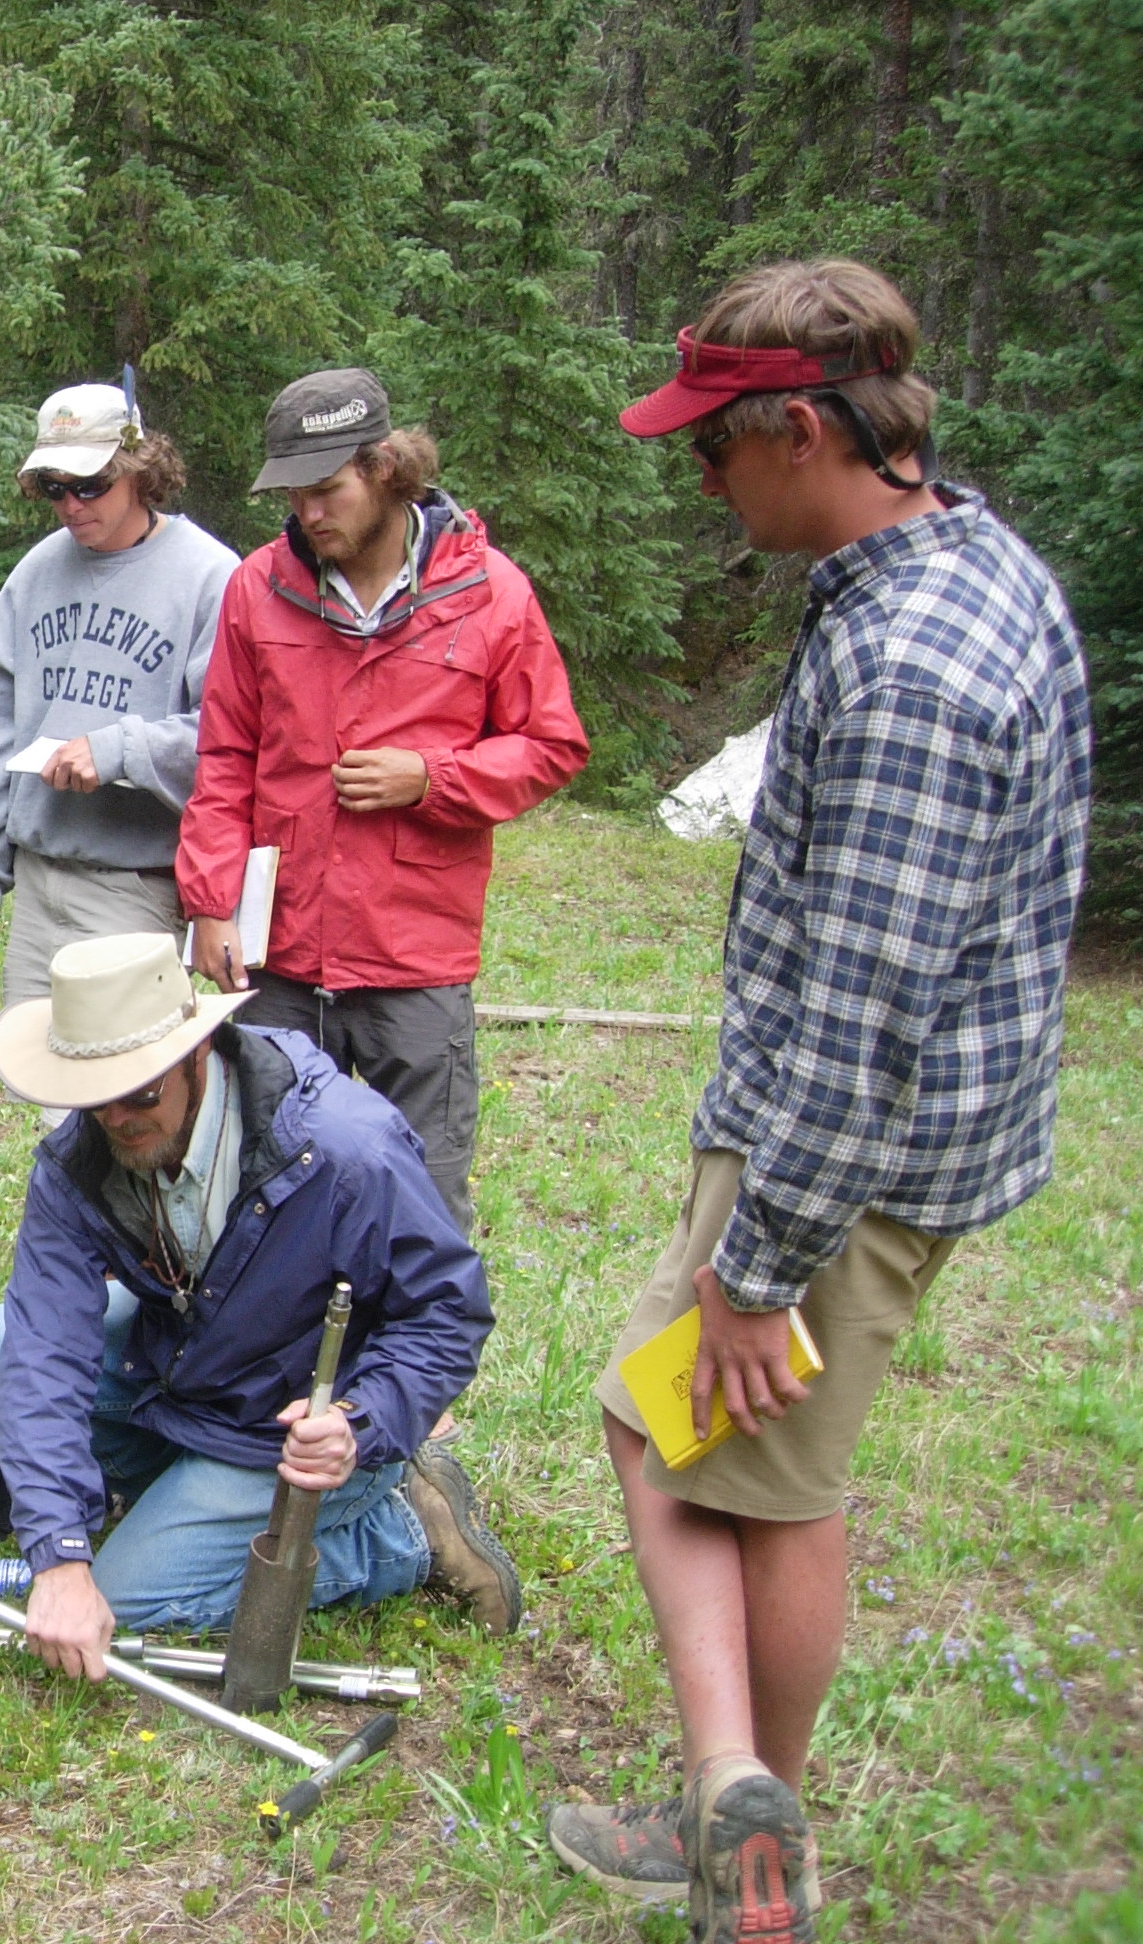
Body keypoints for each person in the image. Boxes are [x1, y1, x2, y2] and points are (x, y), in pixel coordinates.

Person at [544, 261, 1092, 1944]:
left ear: (798, 425)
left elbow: (863, 1018)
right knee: (725, 1450)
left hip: (837, 1163)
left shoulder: (911, 669)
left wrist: (756, 1265)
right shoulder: (949, 566)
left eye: (710, 452)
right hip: (867, 1143)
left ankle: (738, 1805)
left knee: (702, 1442)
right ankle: (737, 1790)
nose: (697, 484)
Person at [0, 932, 520, 1667]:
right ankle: (181, 1484)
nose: (117, 1119)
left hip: (296, 1430)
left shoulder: (345, 1147)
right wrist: (58, 1557)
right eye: (92, 1099)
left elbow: (447, 1314)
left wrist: (362, 1421)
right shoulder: (76, 1160)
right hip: (192, 1370)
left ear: (197, 1051)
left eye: (140, 1092)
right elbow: (44, 1351)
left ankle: (398, 1529)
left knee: (126, 1598)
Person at [178, 370, 589, 1231]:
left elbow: (551, 745)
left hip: (416, 954)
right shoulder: (260, 587)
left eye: (327, 490)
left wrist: (433, 779)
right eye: (293, 493)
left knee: (424, 1200)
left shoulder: (488, 591)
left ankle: (409, 1364)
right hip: (280, 952)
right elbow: (226, 758)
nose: (309, 513)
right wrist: (211, 906)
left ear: (386, 470)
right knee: (267, 1185)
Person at [0, 380, 237, 1005]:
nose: (72, 505)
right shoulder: (37, 572)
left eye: (90, 485)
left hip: (136, 886)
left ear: (139, 470)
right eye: (54, 488)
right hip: (38, 875)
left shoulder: (211, 577)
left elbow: (233, 740)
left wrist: (118, 750)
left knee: (126, 1092)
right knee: (41, 1082)